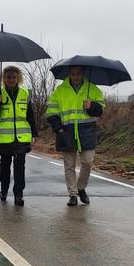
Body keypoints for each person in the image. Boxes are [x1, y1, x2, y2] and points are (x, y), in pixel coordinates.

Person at [47, 66, 105, 206]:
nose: (76, 76)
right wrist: (58, 128)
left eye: (78, 74)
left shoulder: (93, 89)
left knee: (87, 161)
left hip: (87, 132)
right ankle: (72, 194)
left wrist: (91, 106)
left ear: (83, 74)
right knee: (69, 166)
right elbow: (51, 111)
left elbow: (100, 110)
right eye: (73, 74)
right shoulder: (60, 91)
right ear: (69, 74)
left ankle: (81, 188)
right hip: (67, 131)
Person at [0, 65, 36, 206]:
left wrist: (34, 134)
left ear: (18, 78)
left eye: (14, 77)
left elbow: (30, 116)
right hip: (4, 138)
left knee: (20, 166)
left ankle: (18, 194)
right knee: (5, 166)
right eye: (8, 77)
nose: (11, 80)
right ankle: (4, 190)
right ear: (4, 79)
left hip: (21, 137)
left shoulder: (25, 94)